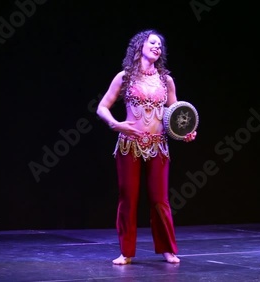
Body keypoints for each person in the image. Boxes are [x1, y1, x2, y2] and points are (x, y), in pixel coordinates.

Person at [96, 29, 197, 265]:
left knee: (160, 199)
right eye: (152, 43)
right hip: (129, 145)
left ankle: (167, 250)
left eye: (160, 45)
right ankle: (126, 252)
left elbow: (175, 117)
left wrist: (185, 134)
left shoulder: (166, 81)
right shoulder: (124, 77)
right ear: (140, 45)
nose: (157, 47)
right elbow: (102, 107)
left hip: (158, 145)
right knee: (128, 198)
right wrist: (116, 124)